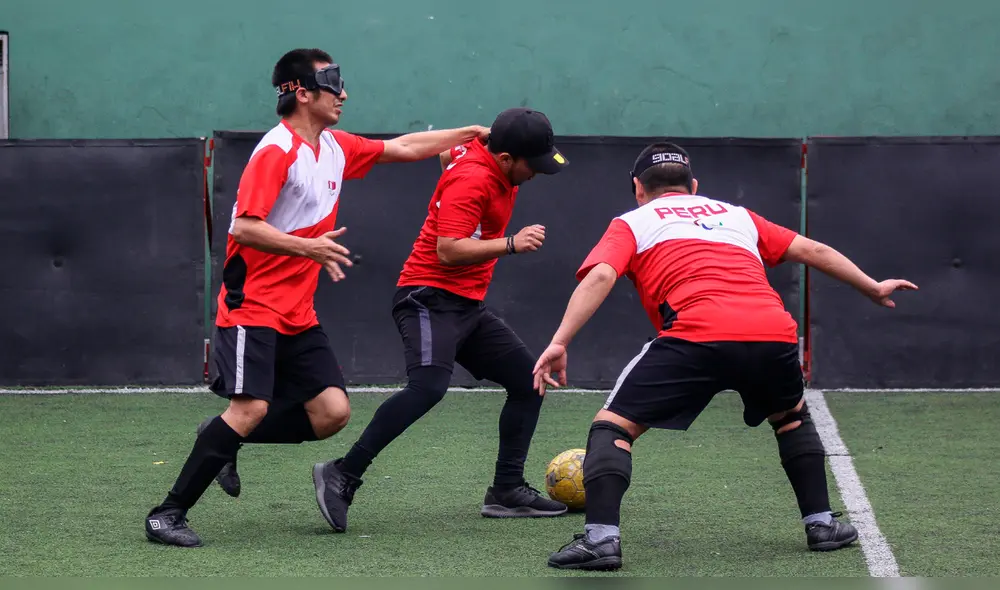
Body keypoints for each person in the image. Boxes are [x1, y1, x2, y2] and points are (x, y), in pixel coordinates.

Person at [143, 48, 492, 548]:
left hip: (297, 313)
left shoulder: (333, 146)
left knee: (331, 414)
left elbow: (404, 147)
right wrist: (308, 245)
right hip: (252, 307)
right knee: (249, 410)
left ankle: (220, 437)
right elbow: (243, 226)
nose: (343, 94)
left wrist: (467, 133)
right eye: (333, 85)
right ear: (302, 92)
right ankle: (167, 513)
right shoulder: (276, 151)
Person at [534, 142, 918, 570]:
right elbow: (813, 251)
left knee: (612, 427)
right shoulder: (736, 216)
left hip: (696, 333)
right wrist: (872, 286)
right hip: (772, 332)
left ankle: (601, 540)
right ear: (694, 186)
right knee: (791, 417)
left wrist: (560, 341)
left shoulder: (631, 221)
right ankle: (822, 524)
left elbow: (602, 273)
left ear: (638, 189)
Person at [311, 107, 571, 533]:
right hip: (427, 297)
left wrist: (461, 150)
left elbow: (446, 153)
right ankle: (343, 472)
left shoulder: (484, 159)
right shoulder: (474, 179)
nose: (536, 174)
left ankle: (506, 490)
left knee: (528, 382)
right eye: (532, 165)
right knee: (428, 387)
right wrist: (511, 243)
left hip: (466, 304)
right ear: (505, 159)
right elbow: (447, 249)